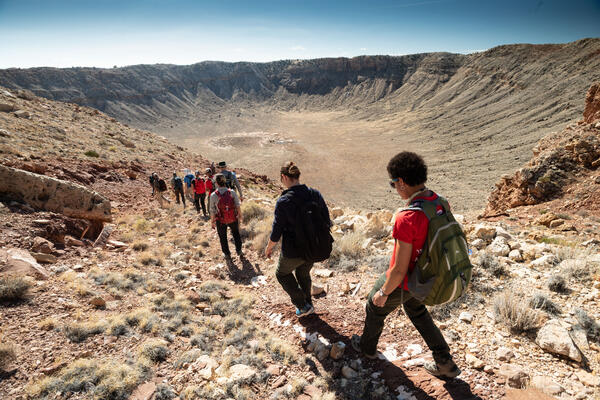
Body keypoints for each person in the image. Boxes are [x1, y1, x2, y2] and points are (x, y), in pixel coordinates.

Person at [351, 151, 460, 379]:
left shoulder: (407, 217)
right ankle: (445, 362)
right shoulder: (440, 202)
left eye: (393, 183)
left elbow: (399, 270)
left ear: (401, 182)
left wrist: (383, 293)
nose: (394, 188)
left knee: (374, 307)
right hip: (432, 276)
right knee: (416, 309)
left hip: (410, 280)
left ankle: (367, 349)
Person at [265, 162, 331, 318]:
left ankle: (302, 305)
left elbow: (276, 231)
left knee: (282, 274)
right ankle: (308, 304)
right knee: (303, 273)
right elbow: (327, 220)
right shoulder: (315, 194)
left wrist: (269, 247)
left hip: (293, 251)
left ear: (284, 177)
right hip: (314, 247)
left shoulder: (284, 201)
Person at [210, 173, 243, 258]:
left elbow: (212, 210)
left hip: (220, 220)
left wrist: (212, 221)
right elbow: (237, 205)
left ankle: (227, 254)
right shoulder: (231, 192)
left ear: (216, 183)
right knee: (236, 234)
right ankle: (239, 250)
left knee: (222, 236)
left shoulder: (213, 195)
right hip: (233, 218)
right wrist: (240, 215)